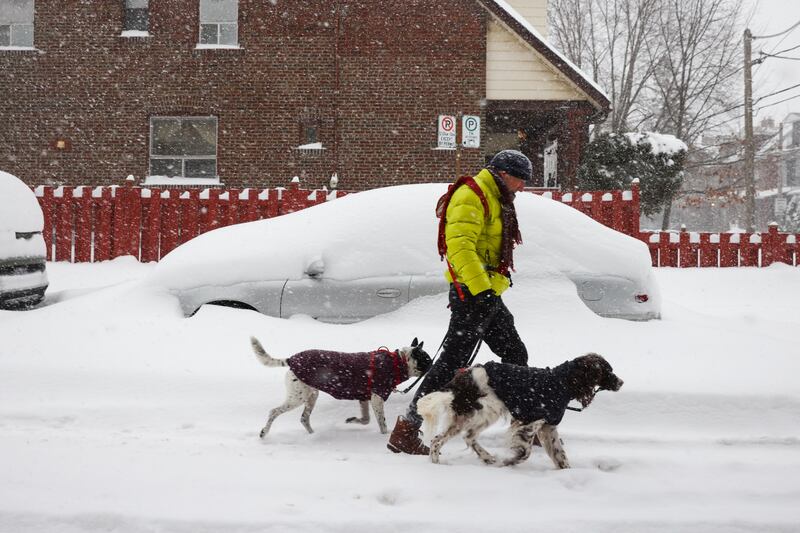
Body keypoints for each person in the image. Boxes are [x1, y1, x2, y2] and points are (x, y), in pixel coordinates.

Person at [387, 149, 533, 455]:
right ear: (503, 174)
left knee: (516, 354)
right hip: (472, 294)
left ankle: (523, 425)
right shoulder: (471, 194)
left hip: (487, 293)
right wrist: (481, 289)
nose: (522, 187)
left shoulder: (496, 197)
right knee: (451, 364)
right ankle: (407, 428)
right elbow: (460, 248)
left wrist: (490, 289)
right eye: (520, 180)